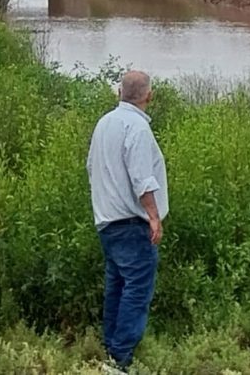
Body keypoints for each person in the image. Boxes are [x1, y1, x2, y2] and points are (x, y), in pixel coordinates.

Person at [87, 70, 168, 373]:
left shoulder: (104, 123)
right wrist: (154, 216)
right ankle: (120, 359)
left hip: (106, 221)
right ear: (149, 96)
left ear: (119, 93)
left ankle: (111, 349)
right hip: (131, 223)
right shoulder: (137, 127)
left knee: (117, 286)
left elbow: (91, 167)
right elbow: (141, 179)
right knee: (137, 288)